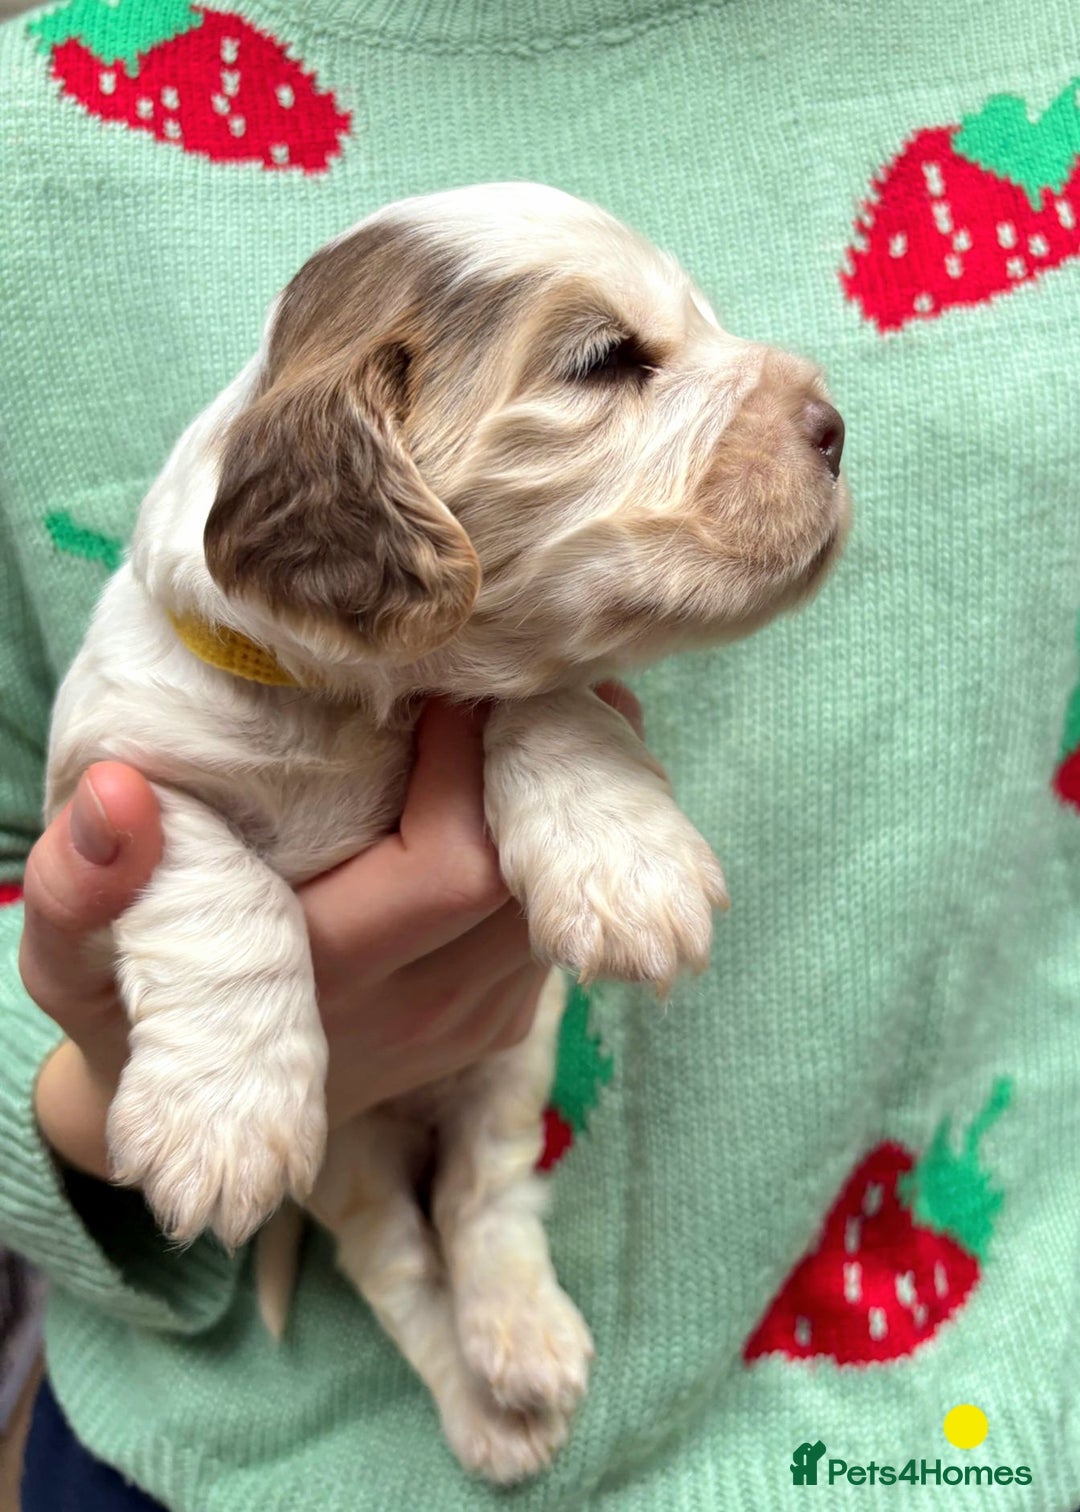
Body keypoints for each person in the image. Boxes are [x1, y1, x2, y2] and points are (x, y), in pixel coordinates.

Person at [2, 0, 1078, 1507]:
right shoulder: (38, 156)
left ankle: (490, 1225)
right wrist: (95, 1080)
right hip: (231, 1454)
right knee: (358, 1190)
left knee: (482, 1133)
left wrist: (560, 758)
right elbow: (65, 831)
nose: (808, 411)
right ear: (366, 481)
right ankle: (427, 1301)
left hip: (955, 1420)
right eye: (613, 363)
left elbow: (487, 670)